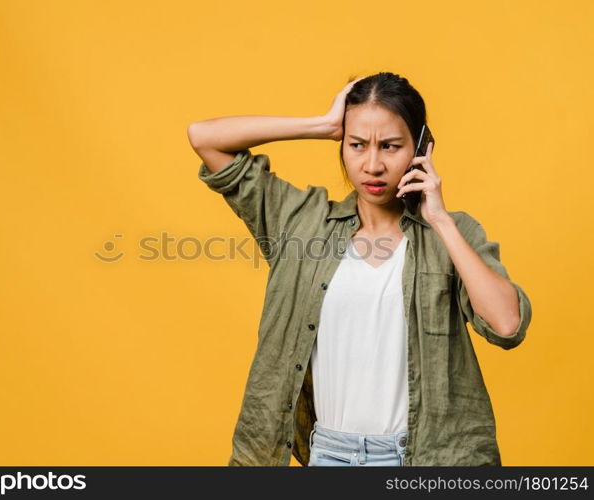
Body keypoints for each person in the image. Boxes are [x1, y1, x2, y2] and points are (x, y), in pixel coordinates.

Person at [187, 72, 532, 466]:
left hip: (424, 458)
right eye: (356, 144)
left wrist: (439, 219)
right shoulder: (300, 222)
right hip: (330, 455)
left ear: (421, 148)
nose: (372, 164)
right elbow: (204, 138)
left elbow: (507, 325)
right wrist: (322, 125)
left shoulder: (454, 232)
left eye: (390, 146)